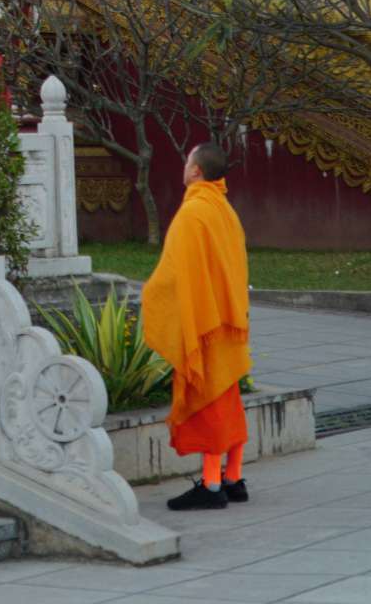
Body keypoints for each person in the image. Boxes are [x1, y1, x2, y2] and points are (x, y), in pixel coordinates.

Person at [141, 142, 252, 512]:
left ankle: (211, 484)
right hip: (228, 321)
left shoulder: (194, 214)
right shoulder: (223, 209)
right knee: (228, 398)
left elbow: (176, 273)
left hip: (204, 322)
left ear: (196, 172)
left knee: (209, 402)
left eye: (188, 161)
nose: (185, 166)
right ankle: (234, 477)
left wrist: (151, 295)